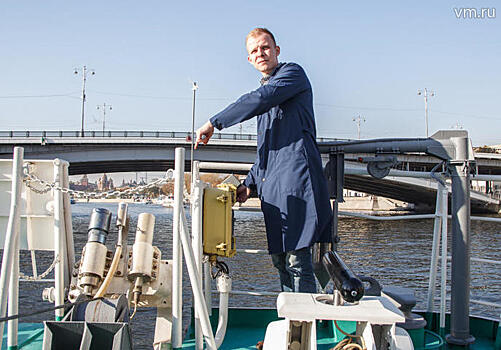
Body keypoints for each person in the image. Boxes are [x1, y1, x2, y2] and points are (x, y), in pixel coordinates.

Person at [195, 28, 332, 293]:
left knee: (296, 260)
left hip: (296, 182)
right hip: (274, 189)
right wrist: (250, 184)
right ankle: (291, 321)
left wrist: (214, 122)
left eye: (265, 47)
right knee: (280, 260)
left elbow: (261, 99)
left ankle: (303, 326)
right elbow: (267, 151)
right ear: (249, 60)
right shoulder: (266, 93)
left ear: (277, 50)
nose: (261, 53)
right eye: (254, 51)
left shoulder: (292, 74)